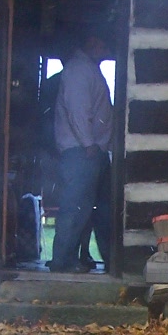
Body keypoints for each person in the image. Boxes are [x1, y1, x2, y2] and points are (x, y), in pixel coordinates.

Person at [49, 33, 113, 273]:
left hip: (88, 151)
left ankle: (78, 257)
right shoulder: (79, 70)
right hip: (80, 152)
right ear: (91, 41)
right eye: (102, 42)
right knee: (74, 208)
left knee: (86, 208)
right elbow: (78, 110)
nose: (105, 47)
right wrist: (88, 144)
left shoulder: (87, 69)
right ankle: (62, 261)